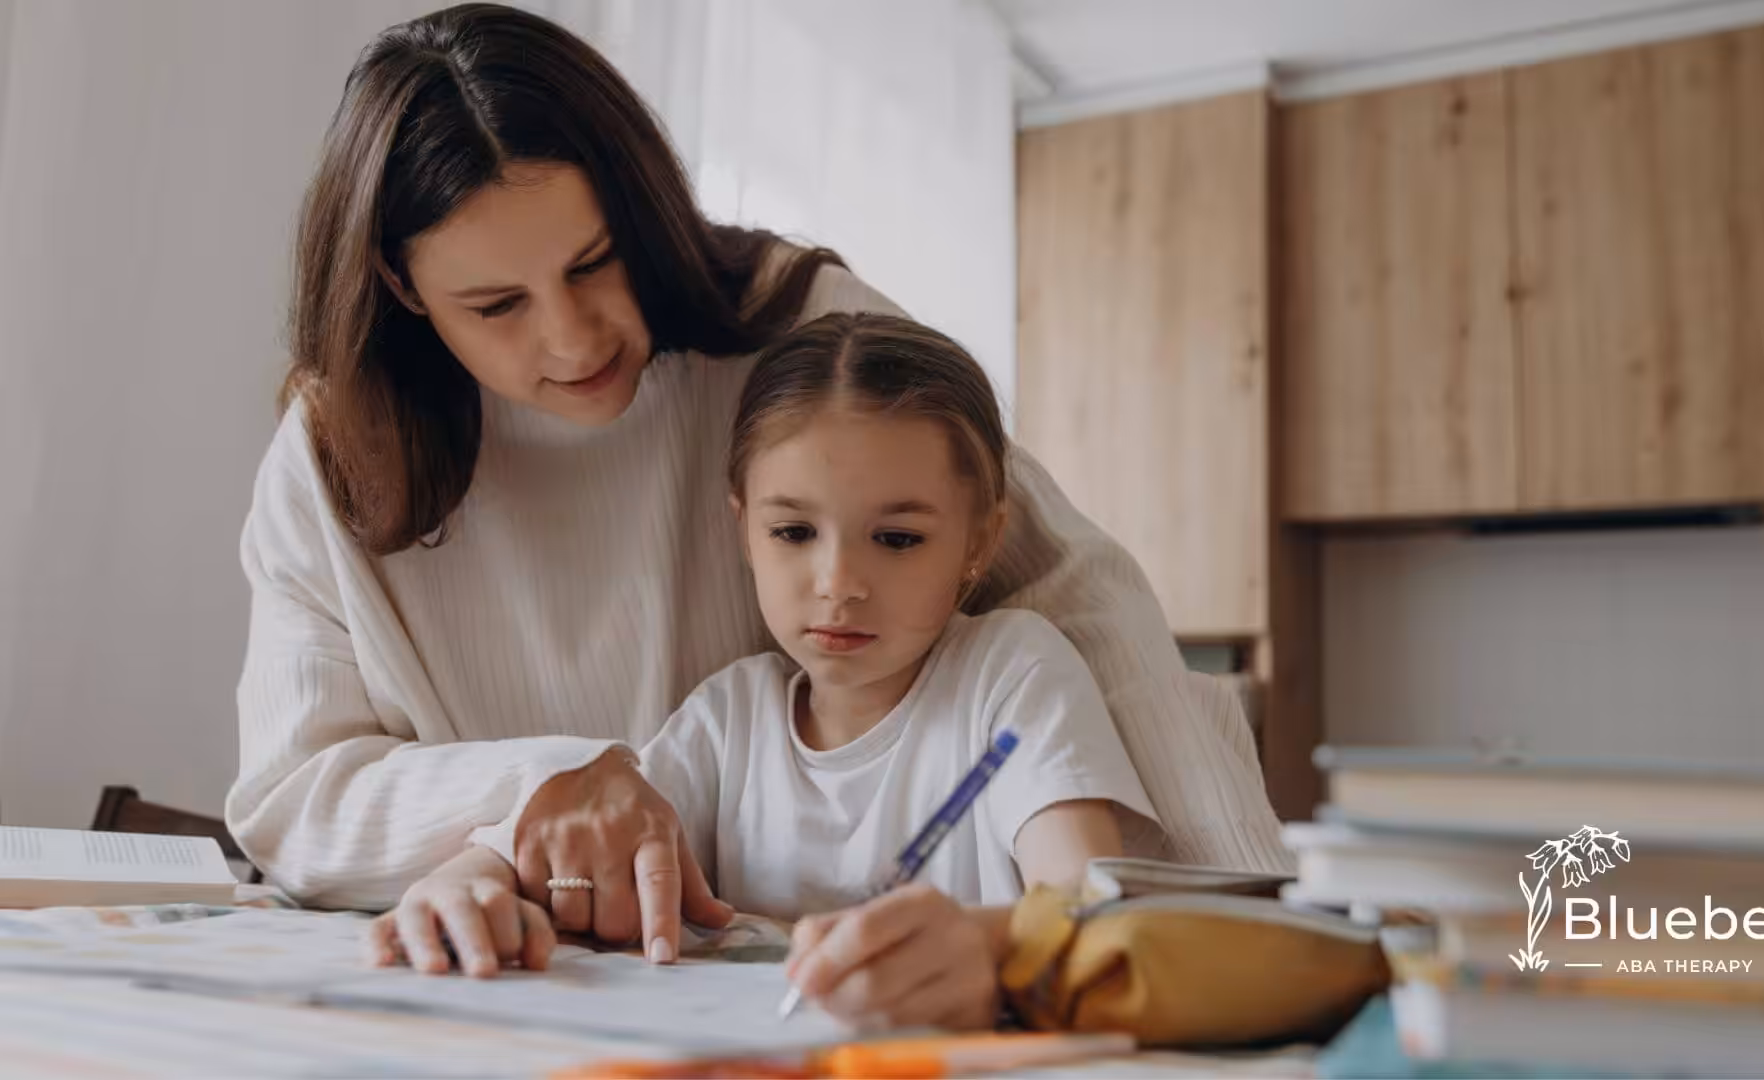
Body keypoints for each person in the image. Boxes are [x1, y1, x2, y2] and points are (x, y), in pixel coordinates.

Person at [230, 1, 1287, 963]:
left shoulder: (802, 330)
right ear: (402, 287)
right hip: (542, 971)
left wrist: (1237, 913)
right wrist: (525, 805)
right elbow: (289, 794)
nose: (573, 338)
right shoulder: (335, 455)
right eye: (498, 305)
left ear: (641, 208)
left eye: (596, 261)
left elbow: (1076, 594)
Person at [374, 314, 1158, 1030]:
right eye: (793, 530)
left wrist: (987, 949)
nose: (838, 582)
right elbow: (578, 847)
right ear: (744, 529)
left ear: (982, 543)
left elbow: (1090, 915)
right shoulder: (729, 717)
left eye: (897, 539)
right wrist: (471, 878)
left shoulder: (1010, 674)